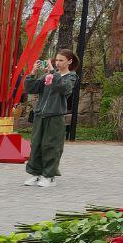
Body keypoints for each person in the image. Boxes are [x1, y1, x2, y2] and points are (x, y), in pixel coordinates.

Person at [22, 50, 79, 188]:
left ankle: (49, 176)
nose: (58, 63)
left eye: (61, 60)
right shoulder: (48, 75)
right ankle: (35, 174)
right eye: (56, 60)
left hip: (55, 116)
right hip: (40, 115)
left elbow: (64, 89)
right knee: (36, 145)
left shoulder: (71, 77)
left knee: (51, 146)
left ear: (69, 62)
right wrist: (33, 73)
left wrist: (53, 74)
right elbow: (31, 88)